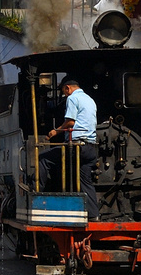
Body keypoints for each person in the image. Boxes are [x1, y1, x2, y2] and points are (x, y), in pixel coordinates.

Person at [38, 77, 99, 220]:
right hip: (90, 147)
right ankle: (93, 215)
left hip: (76, 147)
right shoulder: (90, 100)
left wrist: (55, 131)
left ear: (68, 88)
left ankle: (38, 198)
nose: (65, 94)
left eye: (64, 92)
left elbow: (70, 122)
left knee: (44, 159)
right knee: (85, 180)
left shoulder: (72, 99)